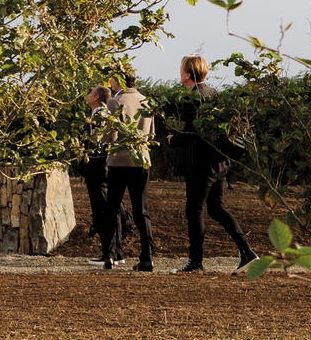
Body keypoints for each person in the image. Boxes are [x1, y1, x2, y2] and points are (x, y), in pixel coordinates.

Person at [167, 54, 257, 274]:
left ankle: (196, 261)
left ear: (188, 73)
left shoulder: (192, 99)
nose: (180, 73)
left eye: (181, 70)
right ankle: (247, 252)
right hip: (218, 162)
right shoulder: (214, 94)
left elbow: (193, 133)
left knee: (194, 210)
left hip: (200, 164)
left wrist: (173, 139)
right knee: (216, 208)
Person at [102, 74, 155, 271]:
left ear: (117, 82)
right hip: (141, 161)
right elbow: (151, 135)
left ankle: (110, 254)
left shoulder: (114, 102)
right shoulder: (146, 101)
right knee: (141, 210)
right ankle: (147, 256)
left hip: (118, 161)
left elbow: (111, 136)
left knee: (112, 208)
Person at [77, 85, 128, 265]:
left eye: (90, 93)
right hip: (104, 168)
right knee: (110, 209)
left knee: (102, 210)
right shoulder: (101, 114)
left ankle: (109, 253)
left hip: (98, 168)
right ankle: (117, 252)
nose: (87, 95)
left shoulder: (99, 116)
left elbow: (97, 145)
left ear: (97, 97)